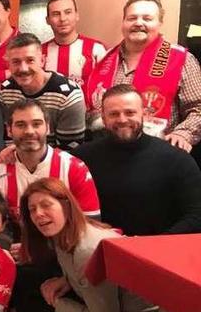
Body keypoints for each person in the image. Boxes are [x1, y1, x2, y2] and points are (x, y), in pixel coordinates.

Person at [19, 178, 156, 312]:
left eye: (46, 205)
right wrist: (67, 280)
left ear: (66, 204)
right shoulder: (71, 232)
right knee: (33, 291)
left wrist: (61, 306)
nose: (38, 214)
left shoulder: (87, 249)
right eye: (32, 209)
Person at [73, 84, 201, 235]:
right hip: (99, 249)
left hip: (159, 252)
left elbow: (196, 216)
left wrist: (151, 246)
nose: (122, 119)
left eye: (130, 112)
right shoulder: (80, 158)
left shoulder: (177, 160)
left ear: (145, 114)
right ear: (103, 118)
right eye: (114, 114)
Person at [85, 0, 201, 152]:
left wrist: (183, 134)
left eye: (147, 18)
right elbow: (92, 108)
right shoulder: (104, 59)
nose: (138, 23)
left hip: (158, 153)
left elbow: (198, 108)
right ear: (123, 23)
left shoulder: (182, 60)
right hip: (109, 150)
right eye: (132, 18)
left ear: (160, 23)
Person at [0, 99, 99, 228]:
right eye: (21, 125)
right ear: (9, 130)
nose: (29, 131)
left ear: (48, 127)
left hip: (66, 245)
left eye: (36, 124)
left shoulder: (74, 168)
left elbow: (91, 224)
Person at [0, 33, 86, 149]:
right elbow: (10, 137)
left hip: (58, 162)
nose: (23, 68)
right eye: (16, 62)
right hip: (17, 158)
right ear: (8, 64)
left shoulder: (68, 94)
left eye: (30, 60)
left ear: (42, 61)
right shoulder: (5, 90)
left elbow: (71, 149)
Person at [41, 0, 106, 89]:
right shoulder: (40, 52)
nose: (62, 19)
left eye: (68, 12)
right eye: (56, 14)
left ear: (77, 16)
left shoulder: (96, 49)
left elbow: (104, 86)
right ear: (48, 20)